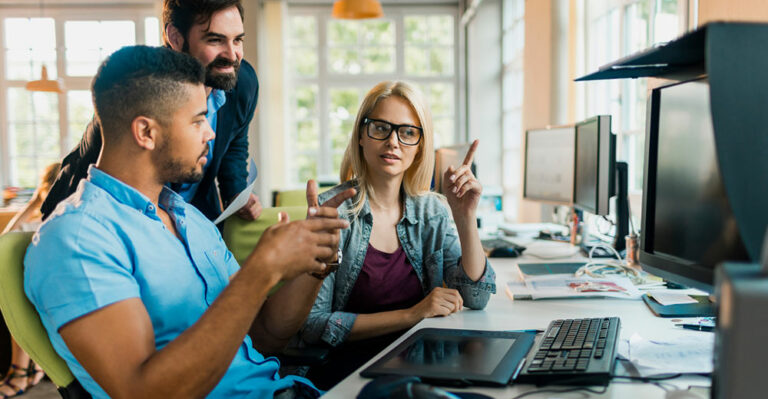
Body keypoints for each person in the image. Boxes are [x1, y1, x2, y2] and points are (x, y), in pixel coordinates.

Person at [25, 45, 354, 398]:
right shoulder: (78, 238)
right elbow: (143, 392)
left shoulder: (190, 218)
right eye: (198, 120)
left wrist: (313, 263)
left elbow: (264, 337)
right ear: (146, 132)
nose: (210, 134)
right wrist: (259, 272)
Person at [300, 81, 496, 389]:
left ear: (419, 146)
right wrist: (412, 314)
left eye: (407, 132)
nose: (393, 141)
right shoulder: (332, 210)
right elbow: (312, 326)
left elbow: (477, 297)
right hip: (351, 373)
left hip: (424, 366)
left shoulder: (433, 210)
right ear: (362, 136)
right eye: (380, 128)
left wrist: (465, 216)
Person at [41, 0, 262, 222]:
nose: (233, 56)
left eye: (238, 40)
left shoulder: (243, 83)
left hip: (195, 218)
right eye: (215, 40)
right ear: (175, 37)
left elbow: (234, 142)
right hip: (117, 218)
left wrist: (236, 193)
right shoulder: (140, 87)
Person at [0, 162, 59, 398]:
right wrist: (33, 203)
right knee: (16, 287)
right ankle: (27, 370)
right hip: (33, 281)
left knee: (22, 295)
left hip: (49, 284)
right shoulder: (35, 219)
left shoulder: (64, 218)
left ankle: (22, 371)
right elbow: (5, 240)